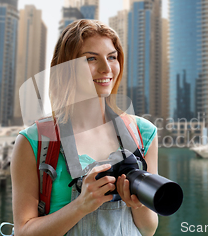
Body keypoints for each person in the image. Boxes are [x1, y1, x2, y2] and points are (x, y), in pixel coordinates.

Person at [11, 20, 159, 236]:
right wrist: (81, 206)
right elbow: (24, 231)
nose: (106, 69)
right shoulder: (34, 140)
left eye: (112, 57)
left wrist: (137, 203)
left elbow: (148, 229)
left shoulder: (143, 133)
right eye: (91, 58)